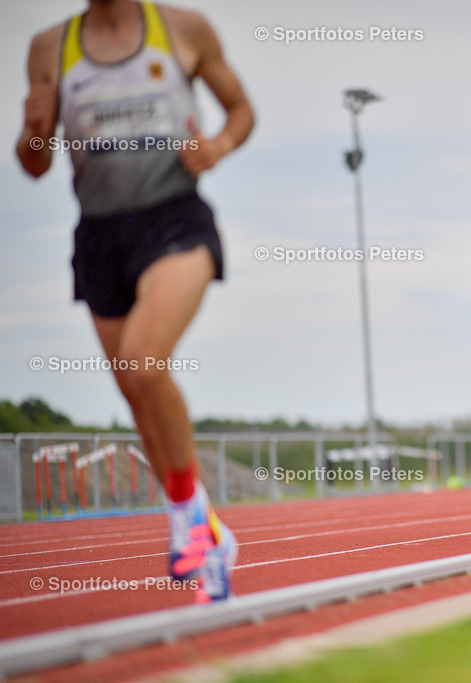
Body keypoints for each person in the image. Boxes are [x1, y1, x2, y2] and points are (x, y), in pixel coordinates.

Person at [17, 0, 254, 601]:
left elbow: (242, 109)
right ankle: (206, 529)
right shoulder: (50, 49)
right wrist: (35, 130)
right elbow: (34, 164)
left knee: (145, 363)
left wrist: (219, 146)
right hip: (100, 234)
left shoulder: (182, 29)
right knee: (134, 388)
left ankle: (188, 520)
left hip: (175, 220)